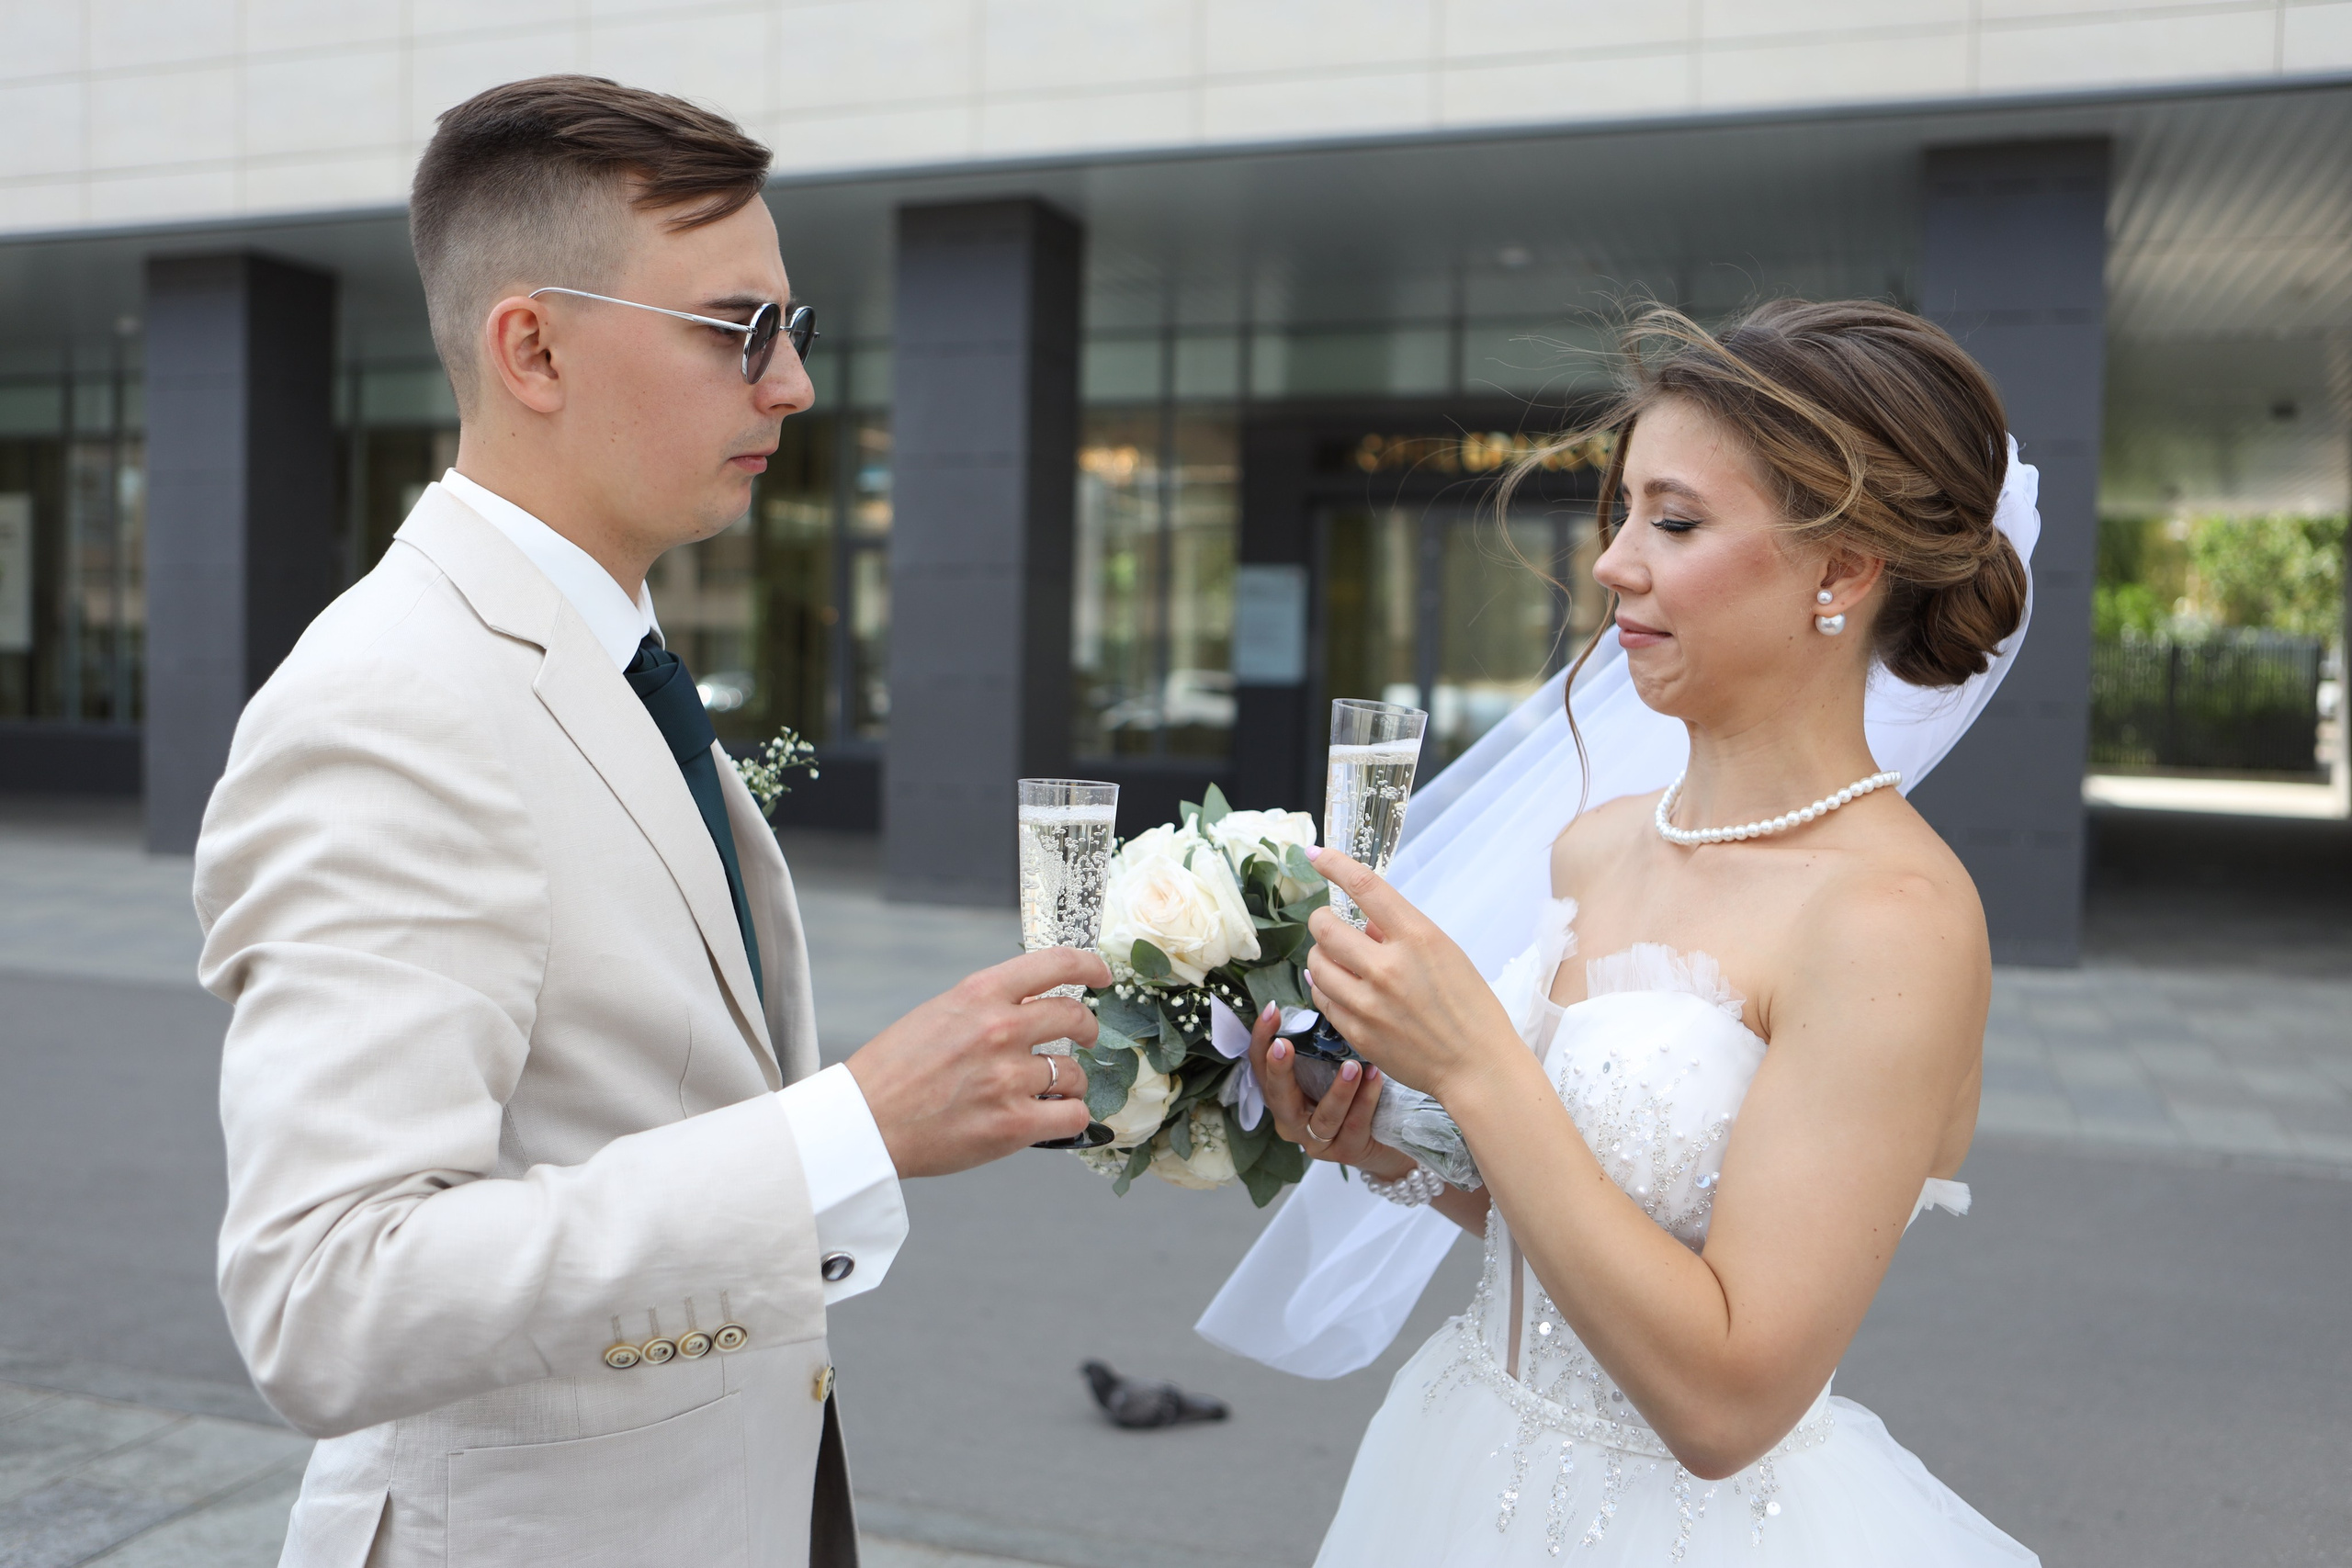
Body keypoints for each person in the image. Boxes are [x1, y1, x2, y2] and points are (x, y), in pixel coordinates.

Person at [195, 76, 1104, 1568]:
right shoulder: (391, 699)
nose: (790, 385)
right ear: (534, 349)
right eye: (736, 328)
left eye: (793, 329)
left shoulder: (601, 655)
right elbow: (329, 1296)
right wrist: (851, 1128)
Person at [1218, 300, 2043, 1563]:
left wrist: (1475, 1067)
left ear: (1841, 571)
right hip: (1461, 1465)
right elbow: (1577, 1232)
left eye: (1676, 522)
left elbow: (1727, 1406)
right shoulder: (1596, 846)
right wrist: (1394, 1146)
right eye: (1623, 514)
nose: (1611, 564)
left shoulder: (1891, 921)